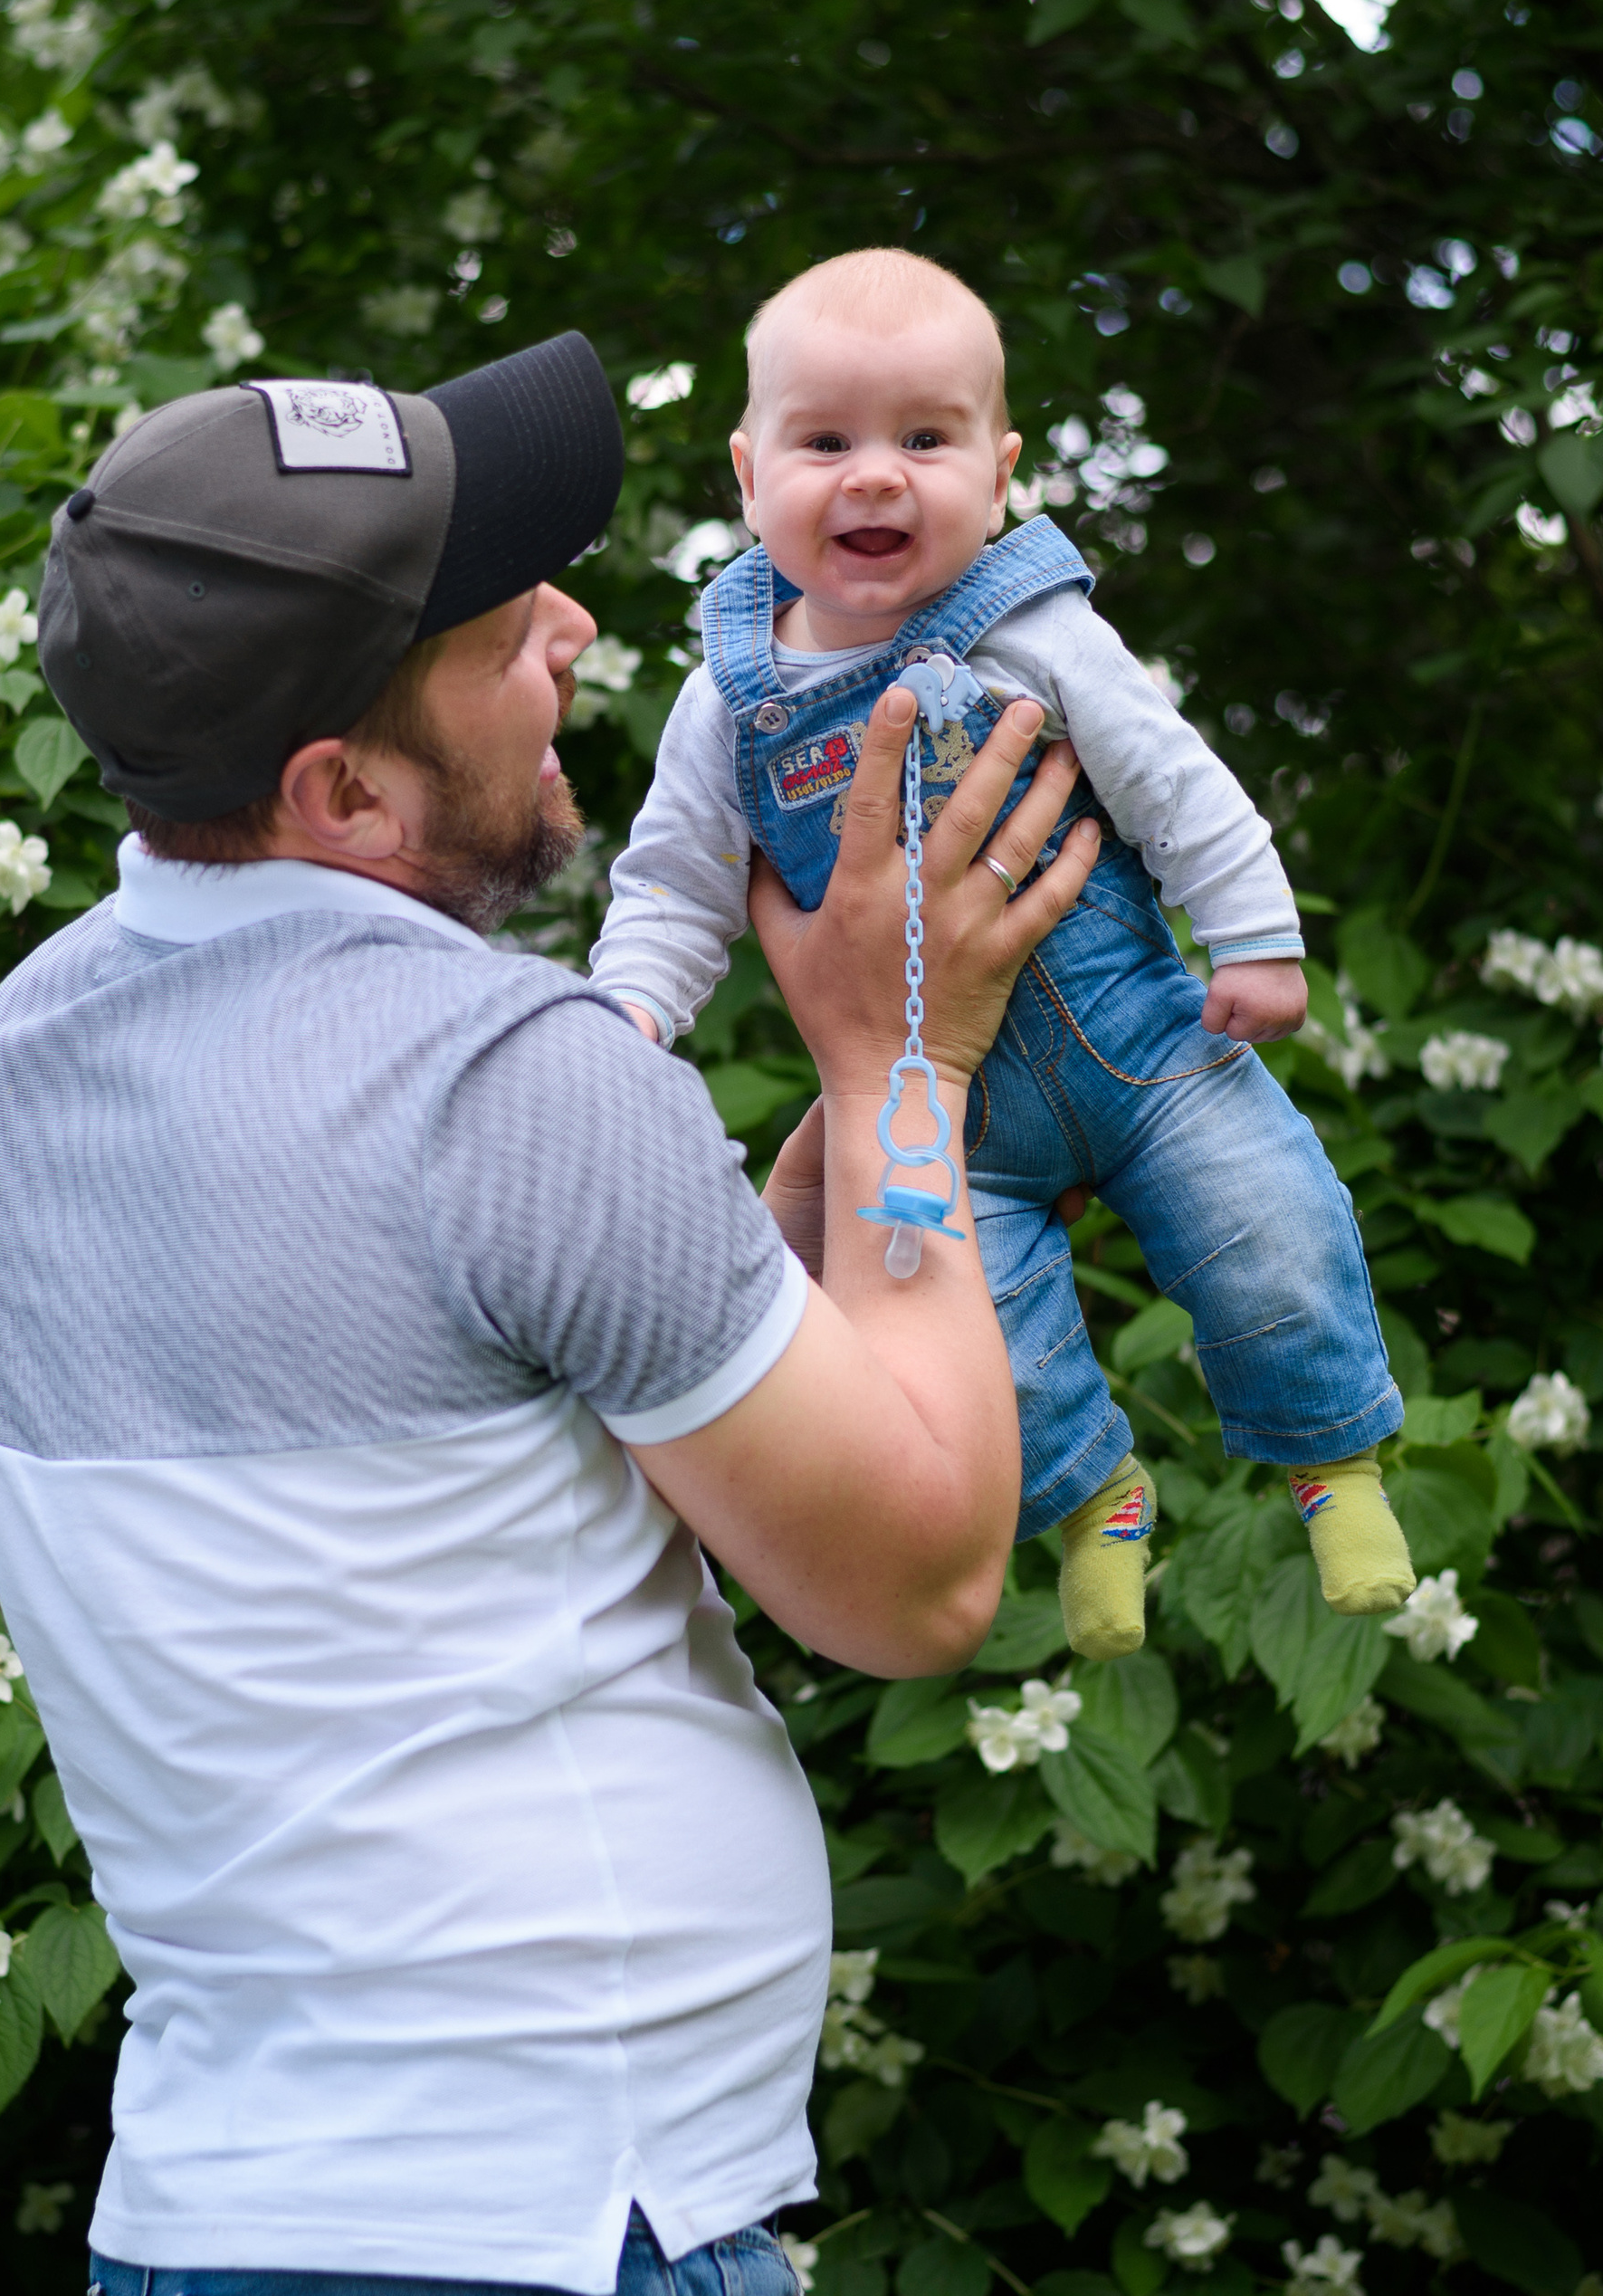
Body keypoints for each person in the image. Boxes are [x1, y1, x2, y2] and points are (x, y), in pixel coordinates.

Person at [0, 331, 1100, 2296]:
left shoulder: (19, 1057)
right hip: (549, 2230)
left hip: (218, 2218)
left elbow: (480, 1421)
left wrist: (833, 1098)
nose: (571, 624)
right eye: (493, 630)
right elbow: (916, 1579)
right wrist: (908, 1072)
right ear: (345, 788)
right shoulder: (500, 1080)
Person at [587, 250, 1415, 1661]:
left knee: (1269, 1230)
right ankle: (1096, 1497)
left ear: (1001, 464)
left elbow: (1170, 779)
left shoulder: (1035, 629)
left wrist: (1257, 937)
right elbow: (673, 881)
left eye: (925, 437)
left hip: (1145, 1040)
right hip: (940, 1112)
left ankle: (1333, 1462)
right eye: (826, 440)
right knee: (981, 1351)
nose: (875, 477)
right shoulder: (726, 700)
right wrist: (627, 1014)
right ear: (748, 469)